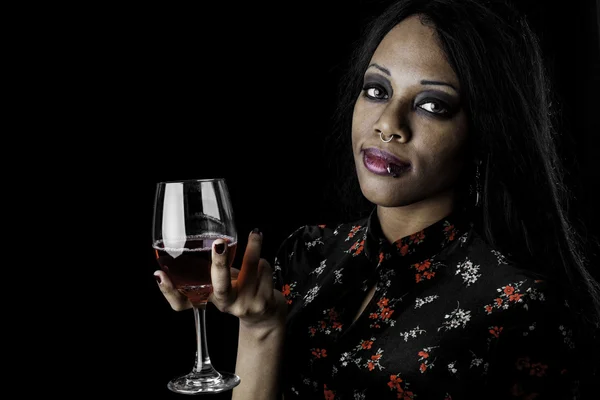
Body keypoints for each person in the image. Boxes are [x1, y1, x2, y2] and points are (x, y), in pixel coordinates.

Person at [154, 0, 600, 398]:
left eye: (432, 105)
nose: (389, 124)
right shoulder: (307, 253)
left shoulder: (522, 307)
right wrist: (259, 328)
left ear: (484, 134)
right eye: (377, 90)